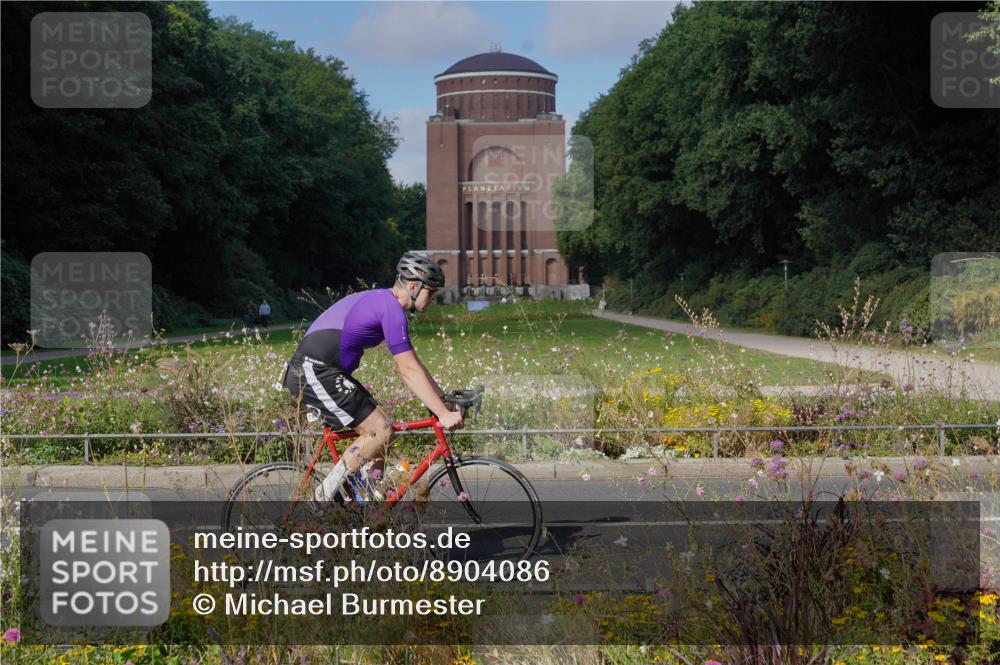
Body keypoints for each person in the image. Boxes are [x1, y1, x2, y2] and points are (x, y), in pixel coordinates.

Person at [283, 253, 462, 503]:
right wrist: (442, 414)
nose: (433, 300)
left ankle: (364, 511)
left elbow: (414, 363)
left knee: (381, 440)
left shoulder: (386, 303)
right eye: (431, 293)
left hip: (327, 371)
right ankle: (321, 497)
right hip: (313, 371)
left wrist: (441, 400)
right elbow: (407, 370)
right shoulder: (391, 309)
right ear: (413, 286)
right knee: (381, 430)